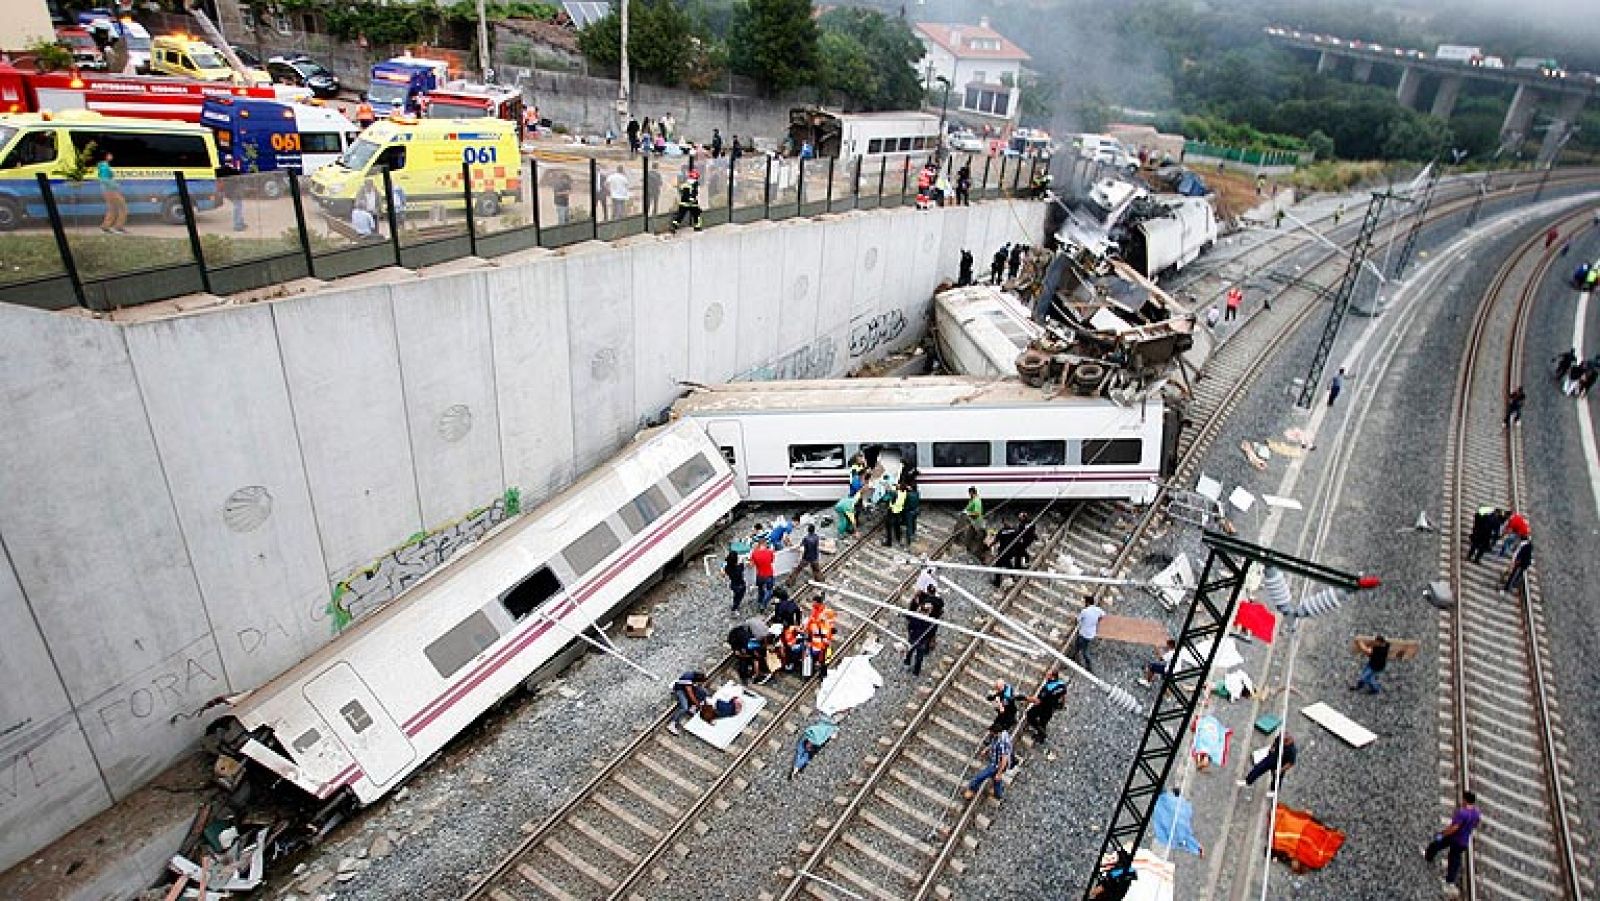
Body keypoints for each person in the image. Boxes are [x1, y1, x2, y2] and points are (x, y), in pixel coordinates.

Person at [1425, 791, 1481, 885]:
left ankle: (1429, 857)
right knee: (1454, 860)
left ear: (1465, 800)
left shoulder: (1462, 813)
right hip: (1463, 841)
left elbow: (1454, 827)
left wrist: (1443, 833)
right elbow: (1475, 824)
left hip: (1454, 837)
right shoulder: (1476, 813)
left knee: (1438, 844)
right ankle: (1449, 880)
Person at [963, 721, 1012, 801]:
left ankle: (972, 789)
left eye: (992, 732)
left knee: (980, 777)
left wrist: (999, 772)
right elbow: (994, 742)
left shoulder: (1002, 743)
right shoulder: (1003, 733)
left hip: (997, 765)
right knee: (996, 779)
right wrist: (987, 749)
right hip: (995, 760)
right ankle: (998, 794)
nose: (991, 734)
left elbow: (1004, 759)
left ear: (997, 733)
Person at [1024, 667, 1068, 743]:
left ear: (1053, 677)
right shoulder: (1061, 685)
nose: (1046, 674)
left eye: (1048, 674)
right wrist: (1062, 705)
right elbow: (1063, 695)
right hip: (1052, 707)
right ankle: (1041, 736)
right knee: (1043, 722)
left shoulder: (1047, 689)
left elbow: (1037, 700)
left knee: (1029, 715)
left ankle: (1041, 733)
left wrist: (1025, 698)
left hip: (1043, 706)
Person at [1067, 596, 1105, 674]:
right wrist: (1096, 621)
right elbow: (1103, 615)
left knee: (1084, 650)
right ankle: (1074, 657)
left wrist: (1072, 618)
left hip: (1083, 633)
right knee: (1079, 646)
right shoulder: (1098, 610)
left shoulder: (1085, 611)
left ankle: (1088, 666)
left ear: (1087, 603)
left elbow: (1078, 620)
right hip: (1091, 634)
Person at [804, 593, 838, 679]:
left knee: (822, 658)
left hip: (821, 641)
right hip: (818, 641)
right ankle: (817, 671)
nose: (812, 604)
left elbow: (831, 624)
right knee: (818, 657)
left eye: (814, 602)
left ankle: (821, 673)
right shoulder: (815, 612)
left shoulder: (823, 614)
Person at [96, 150, 129, 234]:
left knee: (112, 209)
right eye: (110, 154)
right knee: (123, 208)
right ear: (106, 156)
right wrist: (116, 185)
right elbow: (104, 180)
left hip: (108, 191)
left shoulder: (103, 166)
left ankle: (105, 227)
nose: (111, 156)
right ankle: (118, 227)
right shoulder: (104, 167)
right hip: (111, 191)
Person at [904, 593, 935, 675]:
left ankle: (907, 664)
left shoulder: (915, 618)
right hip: (922, 641)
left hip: (913, 638)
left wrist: (911, 634)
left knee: (910, 651)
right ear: (928, 612)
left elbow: (910, 626)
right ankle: (916, 671)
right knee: (919, 657)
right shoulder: (931, 622)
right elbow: (931, 633)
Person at [217, 162, 246, 232]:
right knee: (237, 207)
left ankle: (240, 223)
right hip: (233, 192)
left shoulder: (227, 170)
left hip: (233, 191)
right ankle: (237, 225)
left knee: (238, 207)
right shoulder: (228, 171)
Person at [750, 538, 776, 610]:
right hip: (769, 575)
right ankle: (763, 604)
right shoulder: (770, 552)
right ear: (765, 544)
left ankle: (759, 601)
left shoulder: (754, 553)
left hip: (760, 576)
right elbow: (771, 561)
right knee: (769, 590)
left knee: (760, 589)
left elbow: (751, 565)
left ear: (758, 544)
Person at [962, 486, 986, 558]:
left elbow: (977, 513)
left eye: (970, 494)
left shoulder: (977, 501)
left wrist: (967, 513)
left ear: (972, 492)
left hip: (978, 525)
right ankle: (969, 555)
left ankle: (978, 556)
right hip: (973, 524)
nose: (969, 495)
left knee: (978, 541)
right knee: (967, 540)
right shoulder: (972, 500)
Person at [885, 482, 908, 548]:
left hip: (892, 511)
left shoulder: (895, 493)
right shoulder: (904, 493)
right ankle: (898, 538)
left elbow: (889, 493)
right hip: (899, 511)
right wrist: (895, 485)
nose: (898, 485)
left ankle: (889, 542)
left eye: (899, 485)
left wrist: (888, 487)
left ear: (900, 488)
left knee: (888, 527)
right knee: (897, 526)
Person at [724, 549, 747, 613]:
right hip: (740, 585)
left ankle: (735, 603)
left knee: (736, 595)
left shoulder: (727, 568)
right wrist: (741, 562)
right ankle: (734, 608)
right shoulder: (738, 569)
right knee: (739, 597)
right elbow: (742, 566)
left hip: (733, 584)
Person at [902, 473, 922, 547]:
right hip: (916, 510)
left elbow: (905, 504)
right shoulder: (917, 493)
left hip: (909, 512)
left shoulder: (908, 495)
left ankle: (909, 540)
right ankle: (913, 534)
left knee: (909, 526)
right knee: (914, 523)